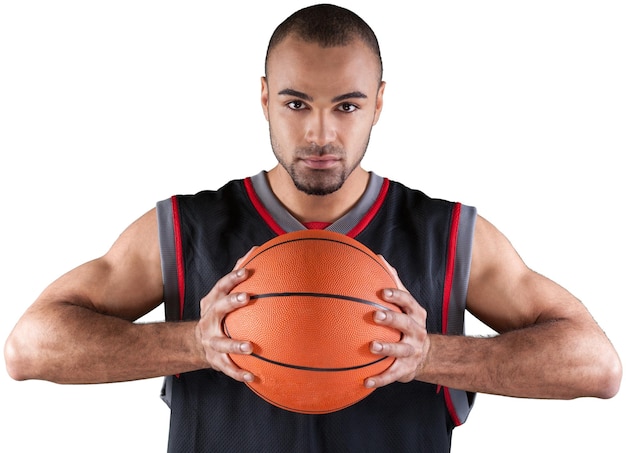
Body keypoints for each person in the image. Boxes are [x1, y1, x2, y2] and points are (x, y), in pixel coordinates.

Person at [4, 3, 621, 452]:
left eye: (347, 106)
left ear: (379, 102)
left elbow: (596, 365)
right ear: (264, 97)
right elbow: (28, 347)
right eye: (296, 103)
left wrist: (432, 356)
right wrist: (193, 344)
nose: (321, 134)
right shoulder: (185, 228)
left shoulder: (448, 235)